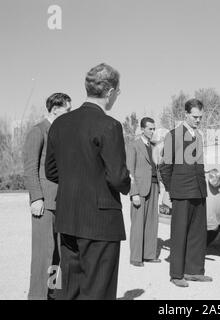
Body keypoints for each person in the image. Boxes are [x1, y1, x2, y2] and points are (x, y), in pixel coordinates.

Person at [45, 63, 130, 300]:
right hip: (100, 222)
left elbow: (51, 171)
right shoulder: (109, 125)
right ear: (110, 92)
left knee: (71, 289)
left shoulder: (59, 124)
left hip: (68, 217)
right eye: (118, 92)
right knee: (98, 291)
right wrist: (127, 184)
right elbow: (117, 177)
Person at [24, 93, 72, 300]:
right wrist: (36, 198)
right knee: (43, 254)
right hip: (44, 203)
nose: (70, 114)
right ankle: (36, 296)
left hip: (62, 202)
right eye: (67, 110)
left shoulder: (64, 132)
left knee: (58, 254)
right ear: (55, 109)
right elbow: (30, 167)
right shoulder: (38, 131)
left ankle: (52, 293)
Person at [159, 98, 212, 288]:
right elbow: (165, 167)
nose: (198, 120)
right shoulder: (173, 135)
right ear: (186, 115)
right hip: (181, 192)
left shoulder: (199, 136)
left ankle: (194, 271)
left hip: (199, 190)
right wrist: (171, 190)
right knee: (179, 233)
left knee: (198, 233)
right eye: (195, 117)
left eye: (200, 117)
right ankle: (176, 274)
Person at [126, 117, 161, 267]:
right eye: (149, 129)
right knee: (138, 223)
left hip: (154, 187)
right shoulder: (133, 146)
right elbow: (129, 171)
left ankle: (149, 254)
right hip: (139, 189)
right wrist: (133, 193)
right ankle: (135, 257)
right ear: (142, 129)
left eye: (154, 129)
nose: (152, 132)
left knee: (152, 222)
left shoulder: (154, 147)